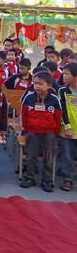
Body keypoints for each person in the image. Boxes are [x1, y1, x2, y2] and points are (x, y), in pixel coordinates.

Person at [20, 71, 62, 192]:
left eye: (41, 84)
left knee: (48, 157)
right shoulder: (29, 98)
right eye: (35, 83)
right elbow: (23, 115)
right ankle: (29, 177)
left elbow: (58, 117)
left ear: (49, 85)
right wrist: (25, 129)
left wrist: (56, 133)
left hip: (49, 133)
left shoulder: (54, 100)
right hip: (32, 132)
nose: (37, 86)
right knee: (30, 156)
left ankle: (47, 180)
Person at [57, 63, 77, 191]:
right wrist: (67, 126)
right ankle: (68, 179)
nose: (64, 76)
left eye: (67, 74)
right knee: (67, 155)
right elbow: (62, 110)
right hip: (67, 130)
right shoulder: (62, 91)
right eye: (63, 73)